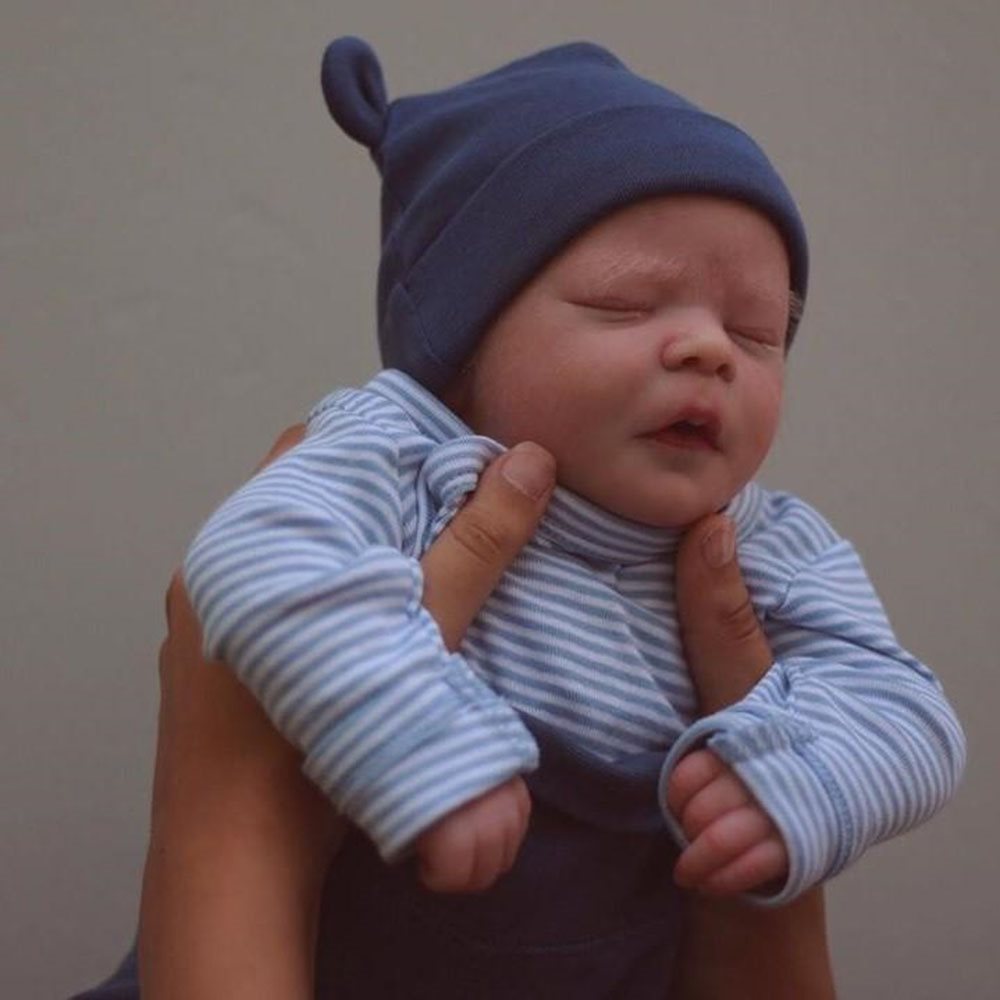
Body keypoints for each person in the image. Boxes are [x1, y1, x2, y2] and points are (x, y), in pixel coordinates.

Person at [79, 37, 964, 998]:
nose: (711, 349)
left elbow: (905, 709)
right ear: (462, 342)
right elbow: (253, 558)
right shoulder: (406, 453)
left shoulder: (765, 544)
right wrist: (417, 738)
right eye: (629, 303)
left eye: (756, 332)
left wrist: (805, 783)